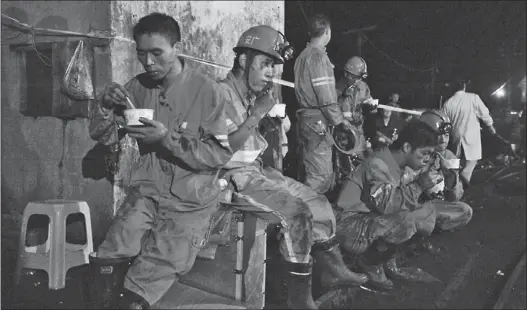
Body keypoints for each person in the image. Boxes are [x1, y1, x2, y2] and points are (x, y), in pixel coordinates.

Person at [86, 13, 234, 309]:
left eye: (157, 53)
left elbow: (218, 155)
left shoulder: (208, 92)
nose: (148, 62)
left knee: (143, 283)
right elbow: (101, 134)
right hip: (147, 191)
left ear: (176, 47)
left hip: (190, 201)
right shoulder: (137, 88)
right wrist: (104, 105)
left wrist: (168, 139)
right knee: (107, 259)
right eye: (141, 53)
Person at [219, 25, 368, 309]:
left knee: (319, 202)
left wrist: (267, 125)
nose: (269, 74)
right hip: (232, 178)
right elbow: (221, 152)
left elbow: (248, 136)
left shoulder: (247, 94)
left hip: (257, 171)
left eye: (273, 68)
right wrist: (259, 113)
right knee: (297, 213)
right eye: (265, 64)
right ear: (242, 61)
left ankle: (333, 271)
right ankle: (299, 300)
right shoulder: (220, 94)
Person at [333, 120, 440, 291]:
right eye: (425, 153)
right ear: (406, 148)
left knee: (426, 210)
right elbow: (387, 205)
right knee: (405, 219)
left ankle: (386, 257)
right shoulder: (378, 164)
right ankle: (370, 263)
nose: (427, 159)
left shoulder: (394, 162)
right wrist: (419, 186)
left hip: (367, 219)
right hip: (348, 225)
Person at [294, 14, 362, 194]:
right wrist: (339, 121)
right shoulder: (318, 57)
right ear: (327, 32)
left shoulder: (302, 56)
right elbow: (325, 97)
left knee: (310, 170)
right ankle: (304, 214)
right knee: (320, 177)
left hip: (306, 119)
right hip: (318, 121)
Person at [402, 110, 473, 232]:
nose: (443, 139)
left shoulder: (448, 156)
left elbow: (454, 198)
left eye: (446, 135)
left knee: (464, 211)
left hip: (426, 205)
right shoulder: (411, 153)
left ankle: (419, 225)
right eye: (438, 134)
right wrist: (420, 184)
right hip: (405, 205)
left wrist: (451, 178)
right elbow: (396, 197)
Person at [441, 79, 497, 188]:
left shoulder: (448, 102)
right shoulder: (473, 98)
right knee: (470, 163)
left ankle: (450, 186)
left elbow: (445, 122)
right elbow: (484, 114)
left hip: (455, 137)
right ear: (464, 87)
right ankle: (461, 187)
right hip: (470, 137)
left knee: (454, 163)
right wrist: (491, 127)